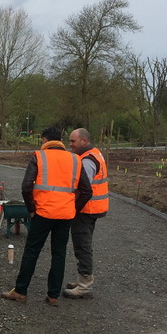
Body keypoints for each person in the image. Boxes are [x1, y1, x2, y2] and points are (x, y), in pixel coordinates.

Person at [1, 126, 92, 306]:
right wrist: (73, 209)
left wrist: (31, 208)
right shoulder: (75, 159)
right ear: (60, 140)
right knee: (59, 254)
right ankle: (53, 295)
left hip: (43, 213)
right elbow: (87, 191)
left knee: (32, 251)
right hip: (65, 215)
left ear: (44, 140)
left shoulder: (39, 156)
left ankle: (20, 291)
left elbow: (26, 186)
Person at [63, 128, 109, 299]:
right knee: (83, 244)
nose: (70, 144)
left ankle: (84, 285)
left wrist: (73, 206)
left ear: (84, 141)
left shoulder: (87, 160)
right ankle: (82, 279)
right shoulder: (93, 154)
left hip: (85, 209)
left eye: (73, 141)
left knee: (82, 245)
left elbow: (83, 187)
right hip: (92, 208)